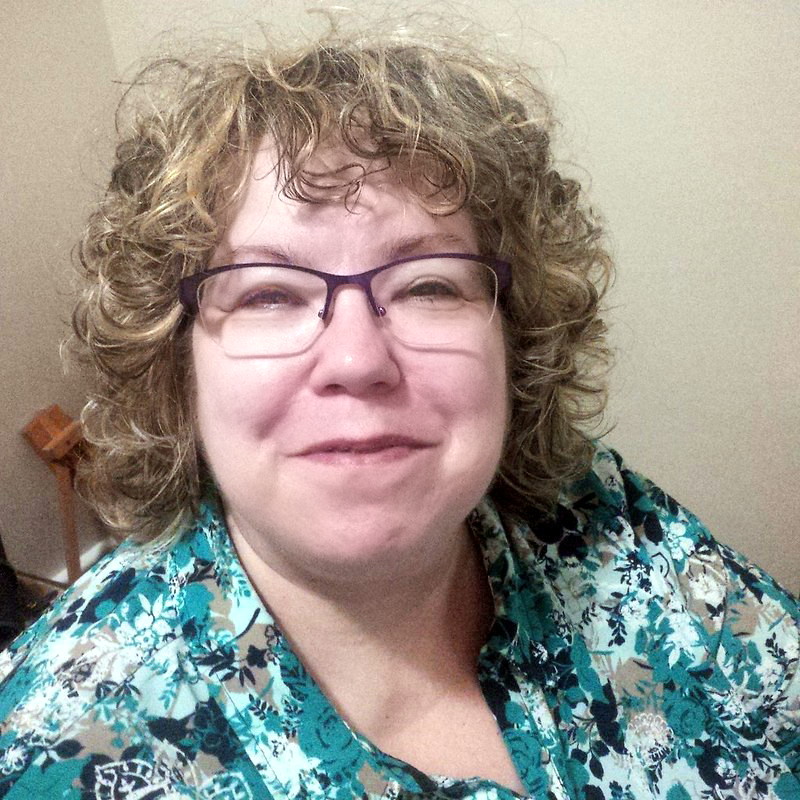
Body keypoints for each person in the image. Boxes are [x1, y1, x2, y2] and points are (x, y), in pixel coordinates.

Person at [0, 29, 797, 800]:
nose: (357, 361)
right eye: (269, 294)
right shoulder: (57, 754)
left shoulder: (603, 514)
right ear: (176, 368)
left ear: (514, 338)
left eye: (428, 285)